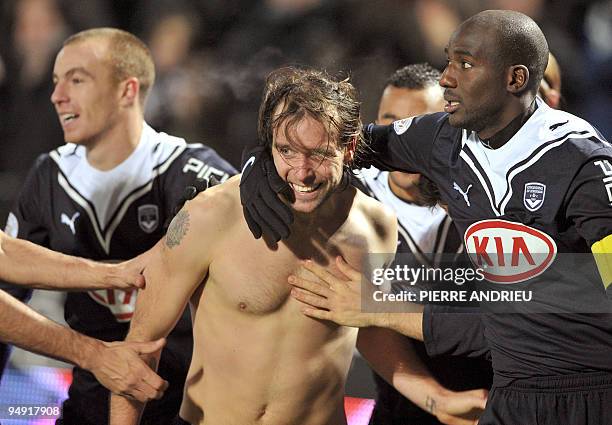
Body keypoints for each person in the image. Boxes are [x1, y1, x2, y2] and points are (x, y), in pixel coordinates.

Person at [241, 10, 612, 425]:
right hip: (511, 393)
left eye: (465, 64)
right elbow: (341, 144)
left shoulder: (585, 165)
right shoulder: (443, 138)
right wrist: (262, 159)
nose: (447, 78)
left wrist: (381, 308)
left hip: (587, 393)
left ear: (516, 79)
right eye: (449, 60)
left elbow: (556, 305)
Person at [108, 66, 399, 425]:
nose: (302, 171)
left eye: (319, 154)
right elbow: (140, 344)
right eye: (287, 151)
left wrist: (437, 399)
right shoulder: (208, 215)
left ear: (349, 147)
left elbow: (372, 334)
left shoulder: (378, 226)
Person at [0, 28, 236, 425]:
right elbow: (7, 287)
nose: (57, 96)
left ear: (127, 91)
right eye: (57, 81)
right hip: (89, 404)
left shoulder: (191, 171)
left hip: (185, 410)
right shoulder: (49, 175)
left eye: (76, 79)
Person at [354, 63, 491, 425]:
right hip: (399, 402)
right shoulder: (349, 198)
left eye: (416, 124)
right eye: (390, 122)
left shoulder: (488, 193)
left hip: (489, 395)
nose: (400, 137)